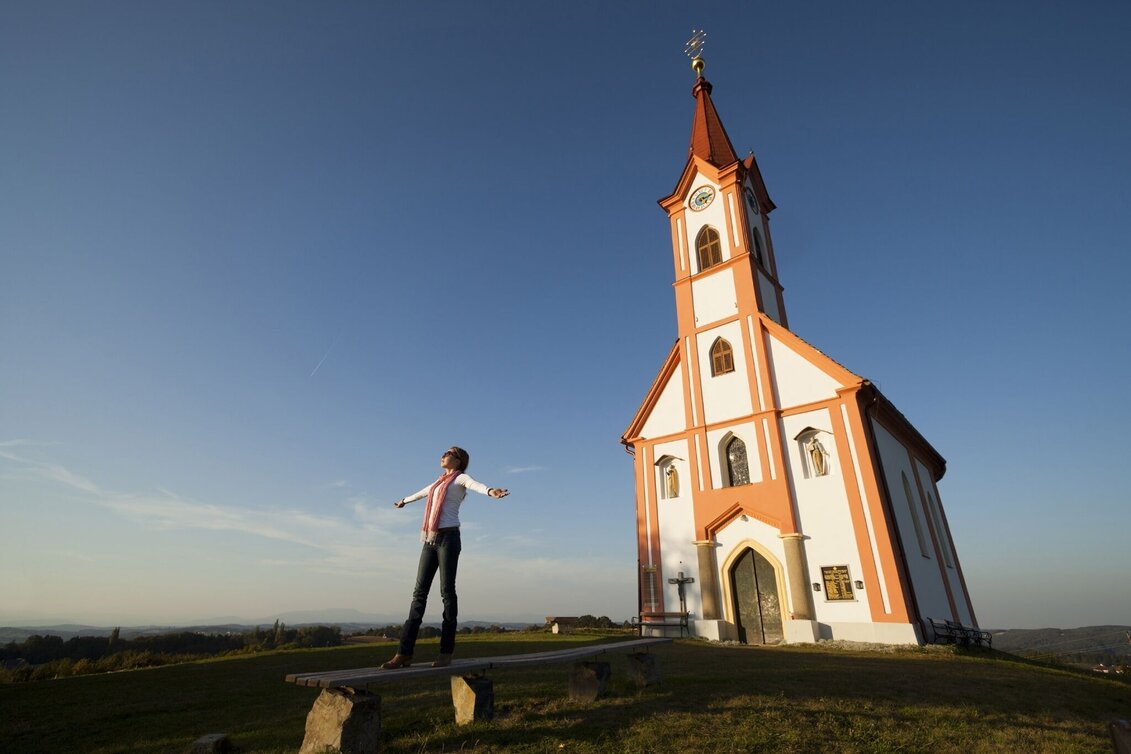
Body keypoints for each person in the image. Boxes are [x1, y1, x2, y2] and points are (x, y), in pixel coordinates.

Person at [381, 446, 509, 669]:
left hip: (449, 539)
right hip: (430, 541)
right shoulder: (438, 483)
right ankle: (404, 653)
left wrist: (491, 491)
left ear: (458, 461)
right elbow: (421, 492)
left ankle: (445, 652)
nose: (443, 454)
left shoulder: (461, 479)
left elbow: (475, 485)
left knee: (447, 593)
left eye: (449, 453)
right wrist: (404, 500)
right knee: (418, 595)